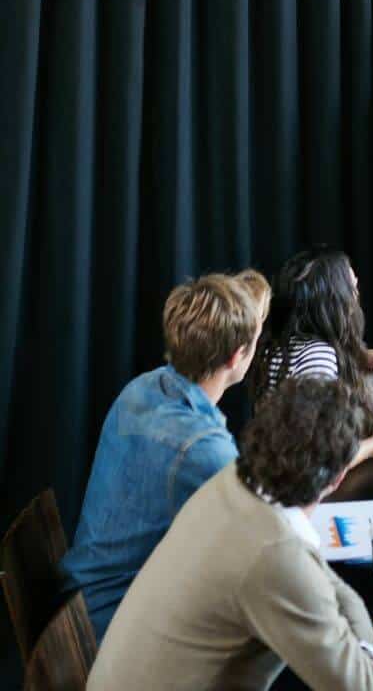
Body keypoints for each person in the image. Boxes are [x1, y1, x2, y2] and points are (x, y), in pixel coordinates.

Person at [88, 377, 373, 690]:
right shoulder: (274, 556)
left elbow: (331, 586)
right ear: (338, 477)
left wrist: (365, 658)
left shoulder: (234, 483)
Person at [61, 271, 264, 640]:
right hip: (112, 630)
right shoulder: (205, 449)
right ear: (237, 356)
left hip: (79, 605)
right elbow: (262, 536)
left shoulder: (141, 388)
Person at [249, 247, 373, 468]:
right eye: (351, 288)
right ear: (334, 301)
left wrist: (356, 356)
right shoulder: (319, 355)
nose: (356, 295)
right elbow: (324, 462)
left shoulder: (277, 348)